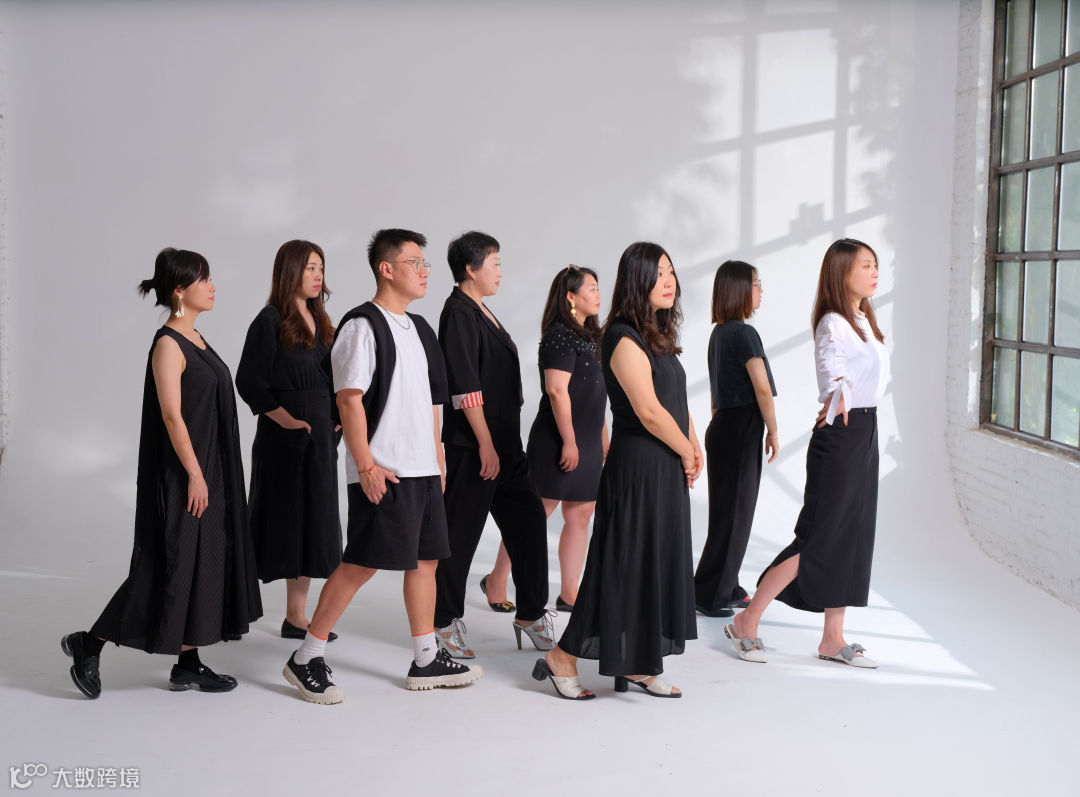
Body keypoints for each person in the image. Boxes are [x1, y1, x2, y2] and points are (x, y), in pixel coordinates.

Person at [282, 229, 481, 703]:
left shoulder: (421, 329)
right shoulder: (361, 325)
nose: (424, 271)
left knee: (427, 561)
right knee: (361, 563)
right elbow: (348, 400)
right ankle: (306, 656)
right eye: (415, 262)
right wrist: (366, 466)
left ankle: (425, 657)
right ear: (386, 269)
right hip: (385, 469)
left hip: (423, 469)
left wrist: (438, 459)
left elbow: (433, 402)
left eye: (425, 263)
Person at [62, 248, 262, 698]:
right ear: (180, 291)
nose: (212, 287)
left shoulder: (198, 338)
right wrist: (194, 474)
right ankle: (88, 643)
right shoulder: (169, 345)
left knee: (202, 564)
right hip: (184, 476)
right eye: (204, 280)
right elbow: (172, 416)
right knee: (166, 568)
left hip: (212, 474)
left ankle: (187, 665)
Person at [532, 241, 702, 701]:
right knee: (621, 567)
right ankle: (562, 656)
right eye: (657, 273)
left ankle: (640, 662)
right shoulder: (621, 335)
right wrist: (686, 451)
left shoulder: (656, 334)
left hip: (665, 464)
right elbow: (647, 411)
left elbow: (674, 400)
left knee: (654, 565)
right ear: (636, 280)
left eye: (671, 271)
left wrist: (693, 444)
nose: (668, 281)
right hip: (638, 469)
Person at [724, 238, 889, 668]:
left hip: (865, 433)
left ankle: (832, 638)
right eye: (865, 265)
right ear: (842, 272)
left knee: (851, 536)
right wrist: (836, 397)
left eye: (875, 264)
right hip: (842, 434)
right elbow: (831, 373)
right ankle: (747, 619)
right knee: (818, 539)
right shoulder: (833, 322)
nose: (874, 272)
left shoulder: (864, 319)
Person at [433, 231, 553, 658]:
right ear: (471, 268)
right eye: (494, 263)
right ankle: (442, 622)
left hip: (506, 444)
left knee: (529, 521)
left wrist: (499, 444)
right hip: (475, 446)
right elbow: (464, 386)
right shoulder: (458, 313)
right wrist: (484, 442)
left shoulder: (482, 310)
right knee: (460, 534)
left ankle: (531, 613)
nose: (500, 271)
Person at [482, 266, 608, 613]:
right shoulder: (559, 336)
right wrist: (569, 441)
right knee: (534, 514)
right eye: (592, 288)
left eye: (598, 288)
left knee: (581, 515)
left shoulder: (593, 337)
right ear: (571, 297)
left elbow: (596, 395)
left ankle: (569, 594)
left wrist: (603, 439)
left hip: (587, 440)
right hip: (558, 440)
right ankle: (497, 579)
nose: (598, 294)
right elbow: (556, 390)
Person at [236, 240, 342, 641]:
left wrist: (337, 422)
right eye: (310, 268)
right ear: (290, 271)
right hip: (284, 443)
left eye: (321, 268)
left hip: (320, 442)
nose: (318, 276)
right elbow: (249, 381)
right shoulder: (269, 320)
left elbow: (336, 380)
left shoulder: (323, 321)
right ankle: (235, 609)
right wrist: (287, 421)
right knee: (281, 524)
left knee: (313, 525)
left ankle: (296, 617)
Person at [694, 261, 778, 618]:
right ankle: (712, 595)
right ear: (740, 290)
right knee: (736, 516)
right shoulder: (744, 334)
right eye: (756, 283)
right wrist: (773, 430)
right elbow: (761, 387)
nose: (761, 290)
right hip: (742, 426)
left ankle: (722, 585)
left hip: (723, 426)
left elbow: (717, 392)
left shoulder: (719, 333)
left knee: (726, 515)